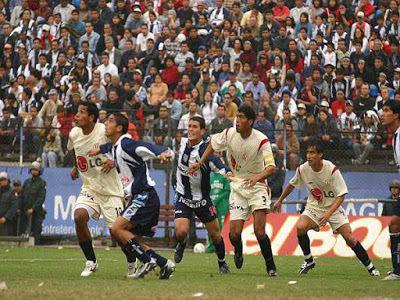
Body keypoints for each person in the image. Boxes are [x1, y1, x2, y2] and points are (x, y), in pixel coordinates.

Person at [189, 105, 278, 276]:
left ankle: (271, 266)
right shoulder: (229, 133)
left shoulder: (262, 140)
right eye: (237, 116)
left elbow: (271, 167)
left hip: (258, 186)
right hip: (237, 187)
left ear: (250, 121)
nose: (237, 120)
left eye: (242, 117)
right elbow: (212, 145)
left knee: (260, 231)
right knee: (234, 234)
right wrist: (200, 162)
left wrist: (257, 177)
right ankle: (238, 249)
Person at [88, 112, 176, 280]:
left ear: (119, 128)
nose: (106, 123)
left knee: (116, 229)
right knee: (130, 238)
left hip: (144, 196)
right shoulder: (114, 147)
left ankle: (146, 261)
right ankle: (164, 264)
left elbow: (144, 147)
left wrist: (163, 151)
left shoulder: (126, 144)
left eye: (110, 121)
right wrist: (99, 149)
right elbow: (109, 149)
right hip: (140, 197)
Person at [273, 139, 380, 277]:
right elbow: (292, 184)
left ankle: (371, 267)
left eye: (312, 153)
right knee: (300, 227)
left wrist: (328, 214)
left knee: (350, 239)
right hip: (314, 207)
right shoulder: (303, 169)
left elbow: (341, 195)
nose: (309, 156)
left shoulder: (331, 169)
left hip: (333, 208)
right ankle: (309, 260)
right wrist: (280, 200)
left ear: (320, 154)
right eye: (307, 152)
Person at [67, 102, 130, 277]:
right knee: (79, 216)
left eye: (82, 112)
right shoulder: (74, 133)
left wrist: (115, 161)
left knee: (117, 233)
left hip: (111, 190)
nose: (77, 115)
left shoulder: (104, 130)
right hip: (90, 187)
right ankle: (91, 261)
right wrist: (75, 167)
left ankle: (133, 261)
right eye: (77, 111)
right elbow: (75, 151)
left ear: (92, 118)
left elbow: (125, 145)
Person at [174, 116, 230, 274]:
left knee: (216, 235)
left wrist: (228, 173)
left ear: (202, 131)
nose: (190, 129)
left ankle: (222, 262)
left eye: (195, 127)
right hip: (183, 196)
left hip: (202, 199)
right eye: (189, 126)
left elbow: (220, 166)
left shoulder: (206, 152)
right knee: (180, 230)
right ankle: (182, 243)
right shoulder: (182, 142)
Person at [381, 100, 400, 280]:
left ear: (396, 115)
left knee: (395, 222)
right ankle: (397, 270)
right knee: (394, 223)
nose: (383, 113)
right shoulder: (395, 136)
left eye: (386, 110)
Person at [206, 152, 231, 253]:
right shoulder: (210, 176)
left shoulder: (225, 176)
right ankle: (211, 246)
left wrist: (216, 200)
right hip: (212, 205)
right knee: (211, 226)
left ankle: (216, 247)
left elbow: (227, 191)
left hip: (222, 205)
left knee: (219, 227)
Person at [21, 162, 47, 244]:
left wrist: (33, 209)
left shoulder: (42, 183)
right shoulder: (27, 182)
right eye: (32, 170)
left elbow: (41, 198)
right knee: (24, 230)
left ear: (39, 171)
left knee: (36, 230)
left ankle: (37, 246)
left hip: (37, 212)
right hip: (25, 211)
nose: (34, 171)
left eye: (36, 170)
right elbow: (22, 195)